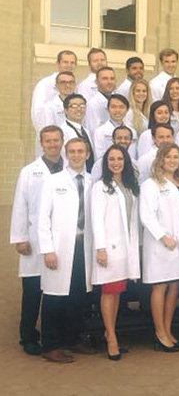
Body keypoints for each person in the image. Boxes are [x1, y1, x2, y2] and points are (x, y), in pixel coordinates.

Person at [37, 138, 94, 363]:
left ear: (87, 155)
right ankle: (51, 345)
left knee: (79, 295)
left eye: (81, 151)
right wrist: (48, 250)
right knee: (54, 297)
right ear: (66, 154)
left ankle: (73, 339)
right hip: (59, 249)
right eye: (72, 151)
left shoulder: (92, 181)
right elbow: (43, 219)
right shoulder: (53, 182)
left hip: (83, 246)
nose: (77, 155)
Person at [11, 126, 65, 356]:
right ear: (41, 143)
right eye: (48, 141)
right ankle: (28, 335)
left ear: (62, 142)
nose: (52, 144)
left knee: (57, 290)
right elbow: (20, 206)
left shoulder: (70, 168)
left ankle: (57, 334)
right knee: (33, 290)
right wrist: (20, 237)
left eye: (56, 140)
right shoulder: (29, 172)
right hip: (33, 238)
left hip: (61, 238)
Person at [139, 144, 179, 353]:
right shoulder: (151, 184)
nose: (172, 160)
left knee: (174, 286)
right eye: (168, 156)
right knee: (160, 286)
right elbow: (147, 215)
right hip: (161, 245)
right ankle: (159, 333)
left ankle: (168, 331)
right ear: (160, 159)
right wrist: (163, 237)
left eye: (176, 157)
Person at [90, 145, 140, 360]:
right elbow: (96, 220)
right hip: (109, 249)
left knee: (117, 291)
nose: (116, 162)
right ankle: (111, 337)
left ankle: (110, 331)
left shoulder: (130, 186)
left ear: (126, 161)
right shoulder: (100, 187)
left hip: (126, 248)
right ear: (106, 162)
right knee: (109, 292)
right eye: (112, 159)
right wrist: (100, 248)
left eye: (120, 158)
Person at [32, 50, 77, 130]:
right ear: (57, 64)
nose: (69, 66)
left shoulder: (76, 87)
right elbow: (37, 115)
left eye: (72, 63)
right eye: (65, 62)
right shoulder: (44, 85)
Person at [93, 94, 137, 161]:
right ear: (107, 109)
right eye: (113, 107)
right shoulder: (99, 132)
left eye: (121, 107)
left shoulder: (132, 132)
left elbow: (133, 156)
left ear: (127, 110)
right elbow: (99, 157)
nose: (117, 110)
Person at [60, 93, 95, 172]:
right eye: (74, 106)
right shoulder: (62, 132)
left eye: (82, 106)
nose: (79, 109)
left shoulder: (86, 131)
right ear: (65, 111)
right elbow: (64, 158)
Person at [84, 67, 118, 135]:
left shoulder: (118, 100)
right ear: (96, 81)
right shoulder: (93, 104)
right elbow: (94, 131)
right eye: (105, 79)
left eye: (112, 78)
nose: (109, 82)